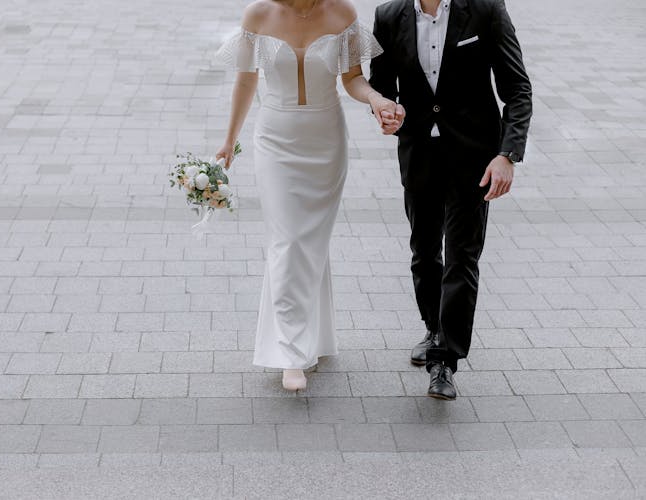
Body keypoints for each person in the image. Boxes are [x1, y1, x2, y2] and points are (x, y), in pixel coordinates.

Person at [216, 0, 404, 391]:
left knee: (310, 241)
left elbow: (352, 78)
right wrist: (229, 141)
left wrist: (377, 99)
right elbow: (247, 80)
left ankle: (312, 337)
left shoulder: (343, 14)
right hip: (275, 138)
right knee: (288, 239)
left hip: (325, 139)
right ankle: (290, 354)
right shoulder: (258, 15)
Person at [369, 0, 532, 400]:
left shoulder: (486, 10)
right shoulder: (388, 16)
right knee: (424, 252)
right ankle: (433, 326)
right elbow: (382, 83)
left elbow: (517, 88)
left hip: (475, 156)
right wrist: (386, 111)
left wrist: (507, 154)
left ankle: (445, 359)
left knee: (461, 256)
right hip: (419, 154)